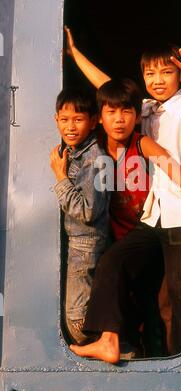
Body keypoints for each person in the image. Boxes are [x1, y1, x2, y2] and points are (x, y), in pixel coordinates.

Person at [64, 27, 181, 353]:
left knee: (180, 297)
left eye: (167, 72)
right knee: (117, 264)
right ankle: (111, 341)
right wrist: (75, 54)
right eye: (150, 73)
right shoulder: (142, 109)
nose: (158, 79)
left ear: (180, 76)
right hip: (152, 215)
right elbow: (108, 89)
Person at [50, 87, 110, 345]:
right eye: (64, 120)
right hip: (79, 244)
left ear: (94, 120)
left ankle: (119, 352)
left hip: (85, 247)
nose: (70, 127)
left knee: (78, 324)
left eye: (78, 119)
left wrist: (61, 178)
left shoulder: (95, 159)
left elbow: (87, 211)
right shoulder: (78, 153)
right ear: (56, 120)